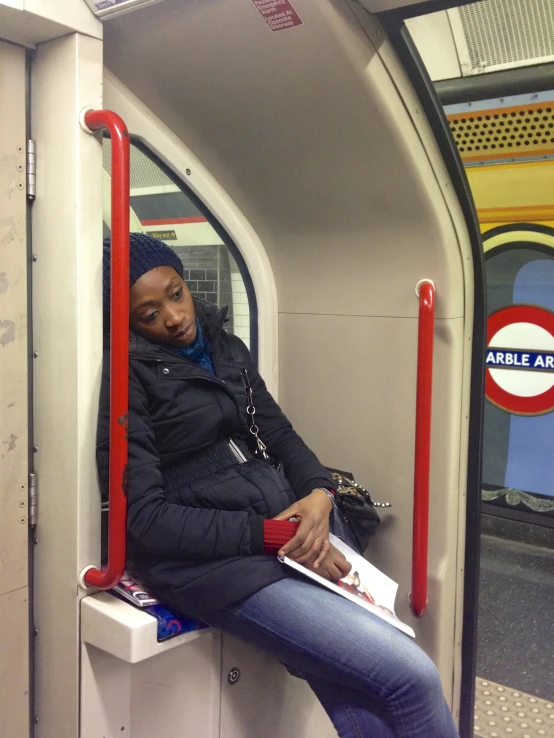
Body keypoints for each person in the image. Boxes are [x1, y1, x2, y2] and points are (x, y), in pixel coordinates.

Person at [97, 233, 460, 738]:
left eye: (175, 294)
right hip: (216, 566)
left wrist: (318, 494)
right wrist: (274, 536)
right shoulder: (127, 377)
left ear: (186, 284)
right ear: (128, 323)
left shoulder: (227, 349)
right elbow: (144, 520)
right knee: (412, 677)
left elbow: (279, 434)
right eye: (149, 314)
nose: (174, 317)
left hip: (287, 538)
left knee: (366, 699)